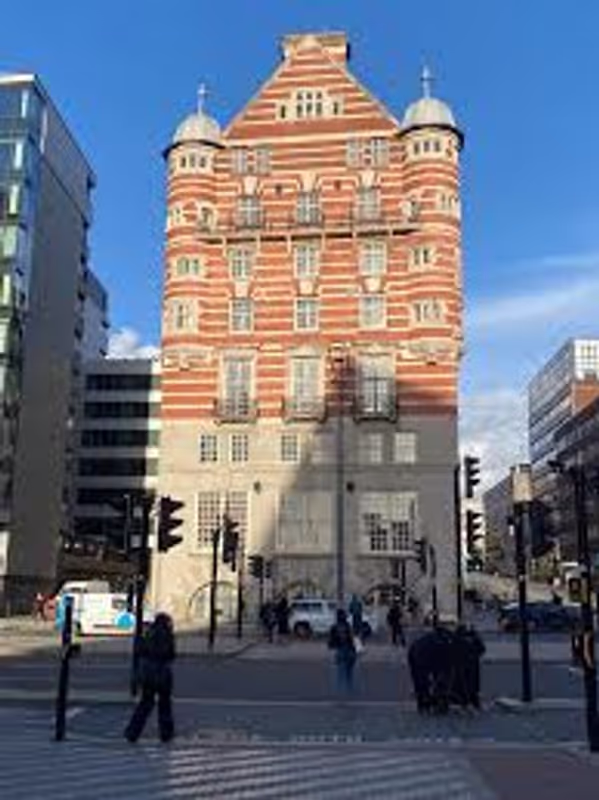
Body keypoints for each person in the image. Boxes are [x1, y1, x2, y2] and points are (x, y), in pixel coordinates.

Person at [125, 613, 176, 743]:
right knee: (164, 705)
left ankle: (132, 732)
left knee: (145, 704)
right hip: (162, 673)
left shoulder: (148, 633)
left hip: (148, 674)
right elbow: (170, 654)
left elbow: (141, 651)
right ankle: (166, 734)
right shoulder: (168, 635)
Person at [328, 609, 357, 697]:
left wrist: (332, 645)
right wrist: (354, 649)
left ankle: (339, 691)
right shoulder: (347, 626)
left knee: (340, 671)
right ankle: (349, 690)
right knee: (349, 672)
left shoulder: (334, 627)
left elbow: (331, 641)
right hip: (348, 649)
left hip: (340, 649)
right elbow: (352, 639)